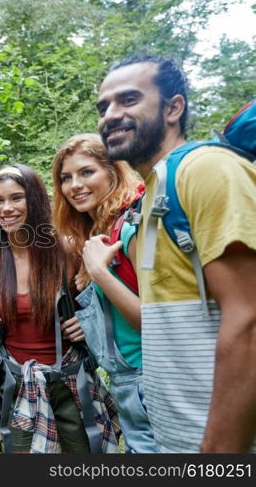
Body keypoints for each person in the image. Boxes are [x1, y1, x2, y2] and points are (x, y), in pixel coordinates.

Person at [97, 55, 256, 452]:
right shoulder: (155, 191)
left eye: (129, 100)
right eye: (104, 107)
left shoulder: (206, 169)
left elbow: (249, 318)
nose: (111, 115)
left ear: (173, 108)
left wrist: (219, 452)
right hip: (176, 439)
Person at [0, 164, 121, 453]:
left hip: (70, 382)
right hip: (17, 386)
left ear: (36, 200)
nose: (6, 208)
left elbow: (105, 302)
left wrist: (85, 323)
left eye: (17, 198)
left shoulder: (67, 250)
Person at [52, 133, 157, 453]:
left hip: (149, 379)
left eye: (87, 172)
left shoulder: (131, 228)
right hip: (126, 382)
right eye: (66, 178)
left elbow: (153, 321)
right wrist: (92, 323)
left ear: (113, 171)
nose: (74, 186)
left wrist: (98, 272)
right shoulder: (99, 231)